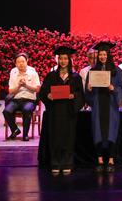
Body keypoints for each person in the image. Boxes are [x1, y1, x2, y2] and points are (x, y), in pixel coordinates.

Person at [38, 46, 84, 175]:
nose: (63, 61)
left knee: (68, 138)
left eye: (65, 59)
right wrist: (48, 95)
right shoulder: (51, 76)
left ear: (69, 60)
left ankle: (67, 163)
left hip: (69, 112)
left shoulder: (75, 77)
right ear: (58, 60)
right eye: (61, 59)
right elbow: (43, 92)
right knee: (55, 137)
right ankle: (56, 163)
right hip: (55, 112)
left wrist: (73, 96)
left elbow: (80, 94)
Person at [85, 41, 122, 173]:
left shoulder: (117, 71)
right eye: (100, 54)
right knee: (98, 131)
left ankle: (111, 160)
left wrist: (114, 89)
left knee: (111, 131)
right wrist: (89, 89)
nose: (102, 57)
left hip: (111, 105)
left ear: (109, 55)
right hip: (98, 105)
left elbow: (121, 88)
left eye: (104, 54)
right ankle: (100, 160)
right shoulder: (92, 71)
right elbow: (87, 93)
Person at [3, 52, 41, 141]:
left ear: (27, 62)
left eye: (23, 61)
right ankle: (15, 130)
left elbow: (37, 89)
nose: (21, 64)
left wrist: (26, 85)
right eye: (18, 62)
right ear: (16, 64)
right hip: (16, 99)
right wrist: (19, 86)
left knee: (27, 110)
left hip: (29, 100)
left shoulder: (33, 73)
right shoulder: (13, 74)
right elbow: (11, 91)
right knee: (6, 111)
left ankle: (25, 135)